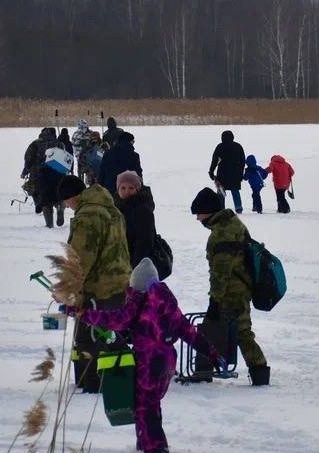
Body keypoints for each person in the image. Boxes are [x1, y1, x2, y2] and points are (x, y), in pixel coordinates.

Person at [69, 258, 222, 453]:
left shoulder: (138, 301)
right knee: (151, 405)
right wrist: (213, 353)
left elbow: (114, 320)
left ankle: (155, 448)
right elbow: (190, 333)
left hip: (149, 362)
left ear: (137, 285)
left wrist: (81, 313)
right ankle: (145, 445)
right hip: (167, 361)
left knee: (145, 408)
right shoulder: (168, 303)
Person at [191, 187, 270, 386]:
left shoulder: (221, 234)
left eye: (199, 214)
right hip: (242, 287)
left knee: (213, 327)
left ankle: (203, 370)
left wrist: (214, 301)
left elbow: (221, 272)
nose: (198, 219)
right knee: (242, 331)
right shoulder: (233, 223)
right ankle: (259, 371)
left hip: (231, 291)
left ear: (209, 211)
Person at [59, 175, 132, 393]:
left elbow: (80, 260)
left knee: (88, 337)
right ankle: (116, 380)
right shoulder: (112, 210)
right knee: (108, 334)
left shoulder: (88, 215)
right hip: (119, 285)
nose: (67, 206)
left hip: (98, 290)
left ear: (72, 197)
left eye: (65, 201)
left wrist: (66, 290)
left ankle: (92, 385)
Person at [115, 171, 158, 267]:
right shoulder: (115, 207)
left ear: (137, 189)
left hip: (134, 263)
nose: (127, 192)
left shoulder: (143, 210)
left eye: (131, 188)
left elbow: (145, 242)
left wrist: (135, 267)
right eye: (123, 188)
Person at [23, 127, 65, 228]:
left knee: (44, 196)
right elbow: (64, 159)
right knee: (57, 193)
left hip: (40, 174)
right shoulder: (60, 144)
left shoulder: (36, 143)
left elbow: (28, 158)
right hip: (57, 174)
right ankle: (59, 206)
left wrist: (25, 170)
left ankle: (49, 223)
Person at [208, 130, 247, 214]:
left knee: (221, 191)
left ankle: (221, 208)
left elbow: (215, 160)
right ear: (232, 137)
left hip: (222, 173)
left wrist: (211, 171)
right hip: (235, 174)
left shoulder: (220, 147)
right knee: (235, 190)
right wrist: (241, 173)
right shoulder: (238, 146)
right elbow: (242, 161)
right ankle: (238, 207)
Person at [99, 131, 142, 200]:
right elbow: (138, 174)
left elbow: (102, 173)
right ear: (130, 141)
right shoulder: (134, 156)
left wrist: (100, 188)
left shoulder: (108, 154)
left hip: (109, 190)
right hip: (126, 192)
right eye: (133, 141)